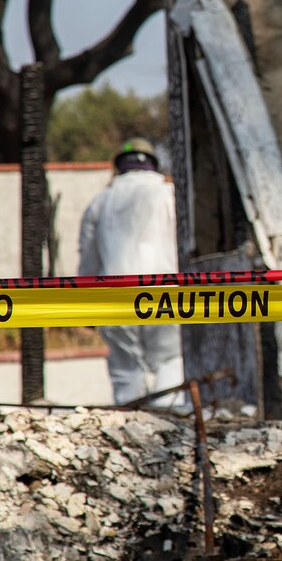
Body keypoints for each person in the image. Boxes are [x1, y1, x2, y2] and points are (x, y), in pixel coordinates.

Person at [78, 138, 187, 407]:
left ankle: (130, 428)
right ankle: (168, 427)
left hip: (115, 297)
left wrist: (86, 303)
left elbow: (88, 258)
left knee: (127, 370)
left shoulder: (100, 202)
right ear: (152, 164)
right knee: (169, 362)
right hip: (166, 293)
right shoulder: (169, 194)